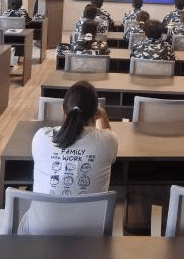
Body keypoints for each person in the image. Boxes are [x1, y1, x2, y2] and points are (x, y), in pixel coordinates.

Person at [21, 81, 117, 233]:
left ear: (63, 110)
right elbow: (107, 135)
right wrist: (103, 115)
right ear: (95, 113)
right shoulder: (107, 142)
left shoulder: (41, 137)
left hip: (41, 236)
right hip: (89, 235)